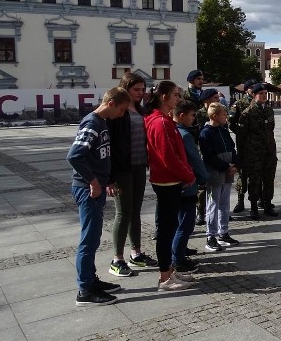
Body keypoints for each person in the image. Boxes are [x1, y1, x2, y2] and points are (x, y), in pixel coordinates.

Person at [67, 87, 131, 306]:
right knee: (89, 239)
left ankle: (91, 280)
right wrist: (93, 182)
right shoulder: (92, 123)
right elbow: (75, 156)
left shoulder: (102, 122)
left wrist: (107, 181)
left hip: (98, 187)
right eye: (122, 109)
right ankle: (85, 291)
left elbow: (100, 156)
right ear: (111, 103)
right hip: (88, 189)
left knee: (93, 238)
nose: (122, 114)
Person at [144, 81, 195, 292]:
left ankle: (170, 270)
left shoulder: (164, 120)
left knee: (170, 226)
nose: (179, 99)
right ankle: (165, 277)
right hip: (168, 181)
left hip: (170, 180)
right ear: (164, 97)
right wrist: (188, 174)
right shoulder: (160, 122)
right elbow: (168, 156)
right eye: (175, 95)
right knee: (166, 230)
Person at [106, 73, 157, 277]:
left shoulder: (142, 110)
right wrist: (109, 177)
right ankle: (116, 260)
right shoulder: (118, 112)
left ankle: (136, 253)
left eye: (142, 89)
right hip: (122, 168)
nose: (141, 93)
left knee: (135, 211)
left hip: (138, 166)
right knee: (123, 212)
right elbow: (108, 145)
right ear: (125, 89)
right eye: (136, 89)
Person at [173, 101, 211, 270]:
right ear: (182, 115)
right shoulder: (185, 135)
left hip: (174, 183)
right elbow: (195, 159)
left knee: (179, 221)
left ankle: (179, 250)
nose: (194, 119)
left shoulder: (171, 130)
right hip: (187, 184)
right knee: (186, 224)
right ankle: (178, 260)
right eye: (192, 115)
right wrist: (204, 177)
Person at [200, 103, 240, 249]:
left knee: (224, 203)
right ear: (215, 116)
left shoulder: (224, 130)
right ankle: (211, 236)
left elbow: (232, 147)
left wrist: (235, 164)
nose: (226, 116)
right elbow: (208, 156)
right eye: (224, 114)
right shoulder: (205, 132)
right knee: (213, 204)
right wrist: (225, 166)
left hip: (228, 172)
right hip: (215, 173)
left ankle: (223, 233)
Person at [237, 83, 278, 219]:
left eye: (265, 94)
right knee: (254, 180)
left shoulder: (269, 110)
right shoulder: (247, 113)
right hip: (254, 152)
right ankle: (254, 207)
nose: (264, 96)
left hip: (269, 151)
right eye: (261, 94)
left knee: (269, 179)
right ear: (254, 96)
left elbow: (270, 129)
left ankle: (267, 205)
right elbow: (242, 135)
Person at [194, 87, 221, 225]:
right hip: (203, 151)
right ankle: (201, 211)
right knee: (203, 184)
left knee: (218, 182)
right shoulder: (198, 114)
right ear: (207, 100)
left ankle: (220, 211)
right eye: (215, 98)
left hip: (217, 151)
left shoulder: (220, 111)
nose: (218, 99)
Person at [229, 79, 255, 213]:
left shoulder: (259, 102)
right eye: (251, 88)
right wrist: (241, 133)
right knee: (243, 173)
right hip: (244, 144)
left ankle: (258, 200)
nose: (253, 90)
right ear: (246, 90)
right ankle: (240, 201)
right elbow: (231, 122)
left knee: (257, 173)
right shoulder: (239, 104)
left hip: (258, 144)